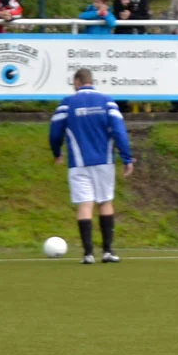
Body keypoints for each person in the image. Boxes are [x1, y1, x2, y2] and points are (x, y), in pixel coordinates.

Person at [49, 67, 133, 263]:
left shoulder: (67, 104)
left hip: (78, 163)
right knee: (104, 202)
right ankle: (108, 251)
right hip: (104, 161)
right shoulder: (107, 102)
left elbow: (55, 132)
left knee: (85, 205)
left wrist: (57, 152)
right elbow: (119, 132)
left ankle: (88, 254)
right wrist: (127, 158)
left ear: (77, 81)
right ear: (91, 80)